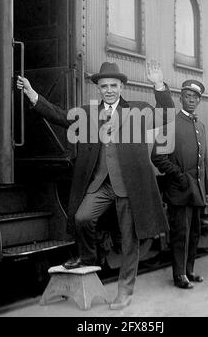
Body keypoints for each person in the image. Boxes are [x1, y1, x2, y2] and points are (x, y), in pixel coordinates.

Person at [17, 60, 174, 309]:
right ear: (98, 89)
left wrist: (158, 85)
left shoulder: (138, 110)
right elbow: (60, 116)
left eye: (113, 85)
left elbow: (166, 115)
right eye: (104, 86)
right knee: (81, 218)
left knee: (129, 239)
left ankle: (125, 291)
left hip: (129, 186)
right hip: (101, 183)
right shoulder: (88, 113)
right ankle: (87, 257)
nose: (109, 90)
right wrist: (33, 95)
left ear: (121, 86)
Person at [151, 80, 208, 289]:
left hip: (197, 191)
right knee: (180, 234)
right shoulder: (170, 124)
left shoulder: (200, 127)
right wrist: (179, 175)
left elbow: (204, 161)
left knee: (194, 232)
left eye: (196, 97)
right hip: (179, 190)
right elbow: (158, 157)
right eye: (188, 96)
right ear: (180, 98)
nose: (192, 100)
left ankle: (189, 271)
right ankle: (179, 276)